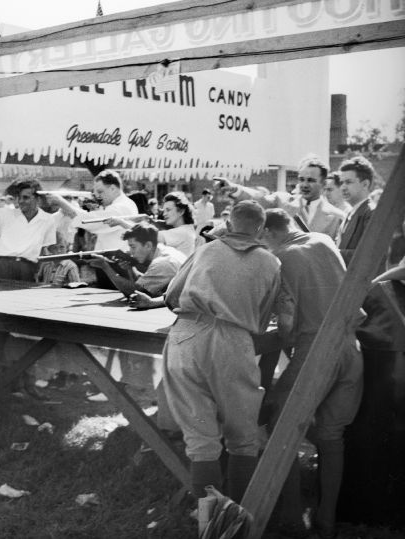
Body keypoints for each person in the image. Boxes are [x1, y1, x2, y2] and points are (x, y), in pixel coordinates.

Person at [161, 201, 281, 502]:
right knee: (243, 439)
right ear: (261, 230)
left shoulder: (206, 249)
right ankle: (237, 521)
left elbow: (171, 295)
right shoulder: (270, 262)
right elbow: (262, 322)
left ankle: (209, 522)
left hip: (186, 334)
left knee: (200, 440)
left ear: (228, 225)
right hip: (233, 339)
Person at [261, 209, 363, 539]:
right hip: (351, 348)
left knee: (280, 427)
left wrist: (287, 337)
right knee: (332, 437)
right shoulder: (322, 240)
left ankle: (293, 518)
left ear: (267, 233)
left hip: (316, 352)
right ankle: (327, 519)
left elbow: (287, 322)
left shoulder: (282, 257)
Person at [218, 156, 345, 240]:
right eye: (301, 179)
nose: (305, 184)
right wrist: (235, 190)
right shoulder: (282, 201)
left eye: (311, 180)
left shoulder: (337, 217)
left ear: (323, 183)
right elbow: (259, 199)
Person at [50, 170, 139, 288]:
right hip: (109, 262)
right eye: (96, 192)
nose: (97, 195)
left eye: (100, 191)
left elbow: (93, 222)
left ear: (113, 188)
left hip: (118, 264)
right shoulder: (116, 205)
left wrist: (63, 203)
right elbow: (96, 215)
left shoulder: (123, 207)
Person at [89, 223, 186, 301]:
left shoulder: (162, 262)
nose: (130, 252)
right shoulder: (165, 251)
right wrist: (130, 268)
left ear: (148, 245)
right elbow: (143, 284)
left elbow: (134, 292)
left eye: (133, 246)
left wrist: (105, 267)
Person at [0, 179, 56, 281]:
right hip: (3, 266)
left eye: (26, 198)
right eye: (19, 197)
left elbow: (45, 248)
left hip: (28, 268)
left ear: (38, 199)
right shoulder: (6, 215)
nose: (20, 201)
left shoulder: (48, 220)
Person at [336, 155, 375, 266]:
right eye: (341, 182)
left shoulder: (371, 213)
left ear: (365, 184)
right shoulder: (350, 213)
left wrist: (332, 254)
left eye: (348, 182)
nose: (343, 187)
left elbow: (369, 255)